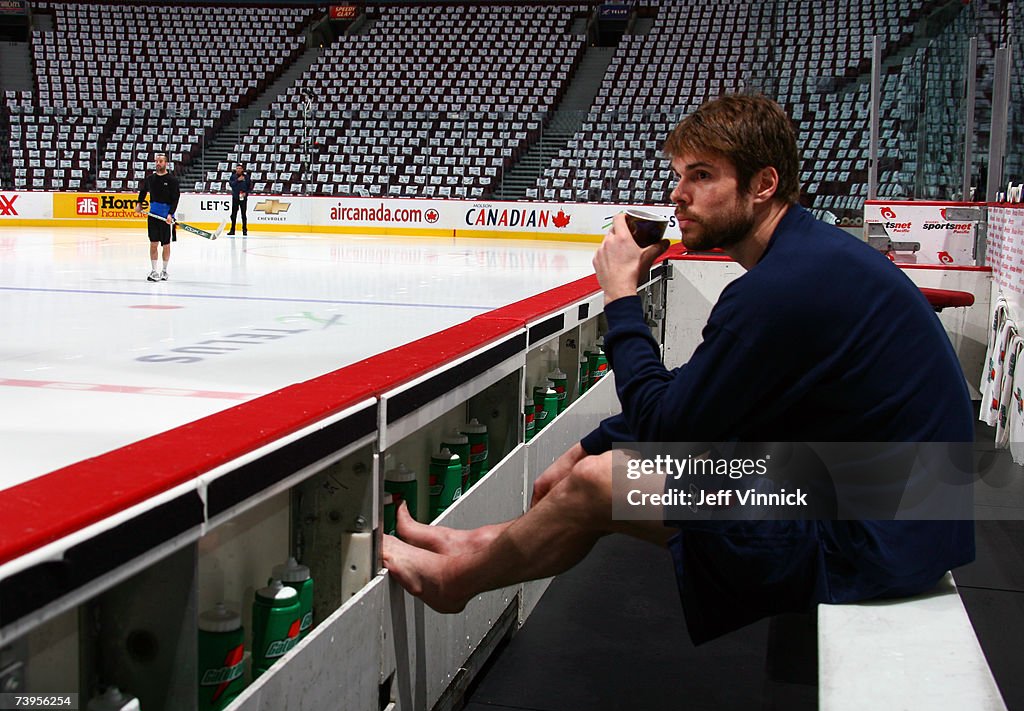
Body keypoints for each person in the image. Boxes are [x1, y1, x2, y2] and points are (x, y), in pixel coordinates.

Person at [383, 94, 975, 644]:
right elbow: (706, 396)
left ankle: (453, 582)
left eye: (702, 176)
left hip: (875, 534)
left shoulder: (784, 287)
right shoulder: (807, 260)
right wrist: (590, 440)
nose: (677, 195)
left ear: (763, 184)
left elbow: (671, 426)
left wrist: (619, 298)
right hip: (892, 503)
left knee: (601, 484)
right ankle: (480, 546)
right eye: (678, 175)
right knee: (598, 465)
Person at [135, 152, 180, 282]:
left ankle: (164, 271)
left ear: (166, 163)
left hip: (166, 216)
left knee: (166, 244)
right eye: (156, 161)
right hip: (153, 216)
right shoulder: (150, 179)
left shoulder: (172, 180)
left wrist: (171, 214)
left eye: (161, 161)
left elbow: (175, 199)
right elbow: (143, 192)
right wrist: (139, 205)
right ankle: (154, 271)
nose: (158, 163)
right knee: (153, 243)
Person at [227, 163, 253, 236]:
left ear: (242, 169)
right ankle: (232, 230)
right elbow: (231, 184)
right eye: (237, 168)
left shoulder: (246, 177)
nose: (238, 169)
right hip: (235, 197)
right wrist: (237, 180)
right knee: (233, 214)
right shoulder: (233, 177)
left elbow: (250, 187)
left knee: (243, 214)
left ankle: (244, 230)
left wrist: (246, 193)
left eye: (240, 168)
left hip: (243, 198)